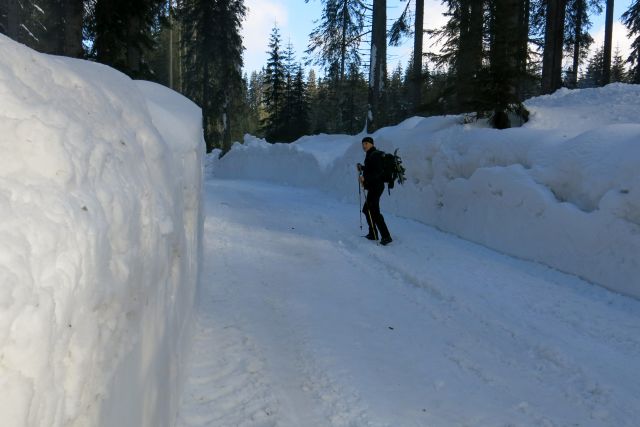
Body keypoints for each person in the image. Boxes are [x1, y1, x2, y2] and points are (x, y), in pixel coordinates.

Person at [357, 136, 392, 245]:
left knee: (374, 212)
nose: (364, 146)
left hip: (376, 187)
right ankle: (373, 233)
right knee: (367, 210)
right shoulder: (371, 154)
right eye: (363, 144)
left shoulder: (375, 155)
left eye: (366, 143)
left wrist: (365, 178)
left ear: (371, 144)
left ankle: (386, 236)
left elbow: (378, 172)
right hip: (373, 187)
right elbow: (371, 169)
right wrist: (362, 168)